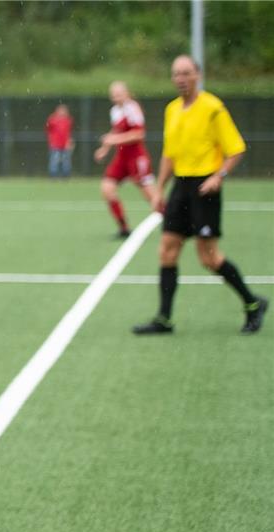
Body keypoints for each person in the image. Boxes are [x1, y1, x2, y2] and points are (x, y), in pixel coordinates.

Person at [133, 55, 267, 336]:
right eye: (176, 74)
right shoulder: (172, 110)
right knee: (167, 250)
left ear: (198, 75)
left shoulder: (213, 108)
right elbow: (169, 155)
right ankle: (164, 319)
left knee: (209, 257)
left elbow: (236, 149)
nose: (180, 78)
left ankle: (253, 304)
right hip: (180, 187)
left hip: (204, 188)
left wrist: (219, 176)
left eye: (186, 73)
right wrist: (159, 190)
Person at [94, 82, 159, 238]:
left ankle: (174, 224)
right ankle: (124, 227)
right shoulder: (115, 111)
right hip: (121, 157)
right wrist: (104, 149)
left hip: (136, 157)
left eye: (119, 94)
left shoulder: (133, 108)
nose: (116, 97)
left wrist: (114, 140)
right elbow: (115, 132)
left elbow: (139, 134)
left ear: (127, 93)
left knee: (151, 196)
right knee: (107, 189)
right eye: (113, 94)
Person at [45, 104, 74, 179]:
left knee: (66, 162)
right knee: (54, 161)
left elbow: (68, 133)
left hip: (65, 145)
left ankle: (65, 176)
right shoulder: (52, 120)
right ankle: (53, 176)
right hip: (55, 145)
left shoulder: (68, 120)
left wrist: (69, 142)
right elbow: (48, 129)